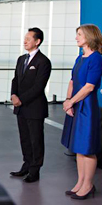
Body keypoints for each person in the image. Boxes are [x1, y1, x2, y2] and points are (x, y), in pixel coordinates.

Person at [61, 24, 102, 200]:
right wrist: (68, 101)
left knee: (87, 148)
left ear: (89, 36)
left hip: (87, 108)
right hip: (76, 105)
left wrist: (71, 101)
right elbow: (72, 81)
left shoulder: (97, 58)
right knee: (78, 147)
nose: (76, 37)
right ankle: (80, 182)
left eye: (79, 34)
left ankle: (88, 185)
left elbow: (89, 87)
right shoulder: (80, 58)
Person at [10, 27, 51, 183]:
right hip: (20, 107)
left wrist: (21, 99)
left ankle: (35, 170)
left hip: (35, 107)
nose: (25, 41)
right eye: (24, 38)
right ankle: (26, 165)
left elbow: (38, 86)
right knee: (25, 139)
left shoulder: (43, 61)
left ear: (37, 41)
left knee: (36, 140)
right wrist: (13, 95)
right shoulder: (21, 59)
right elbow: (15, 79)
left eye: (28, 39)